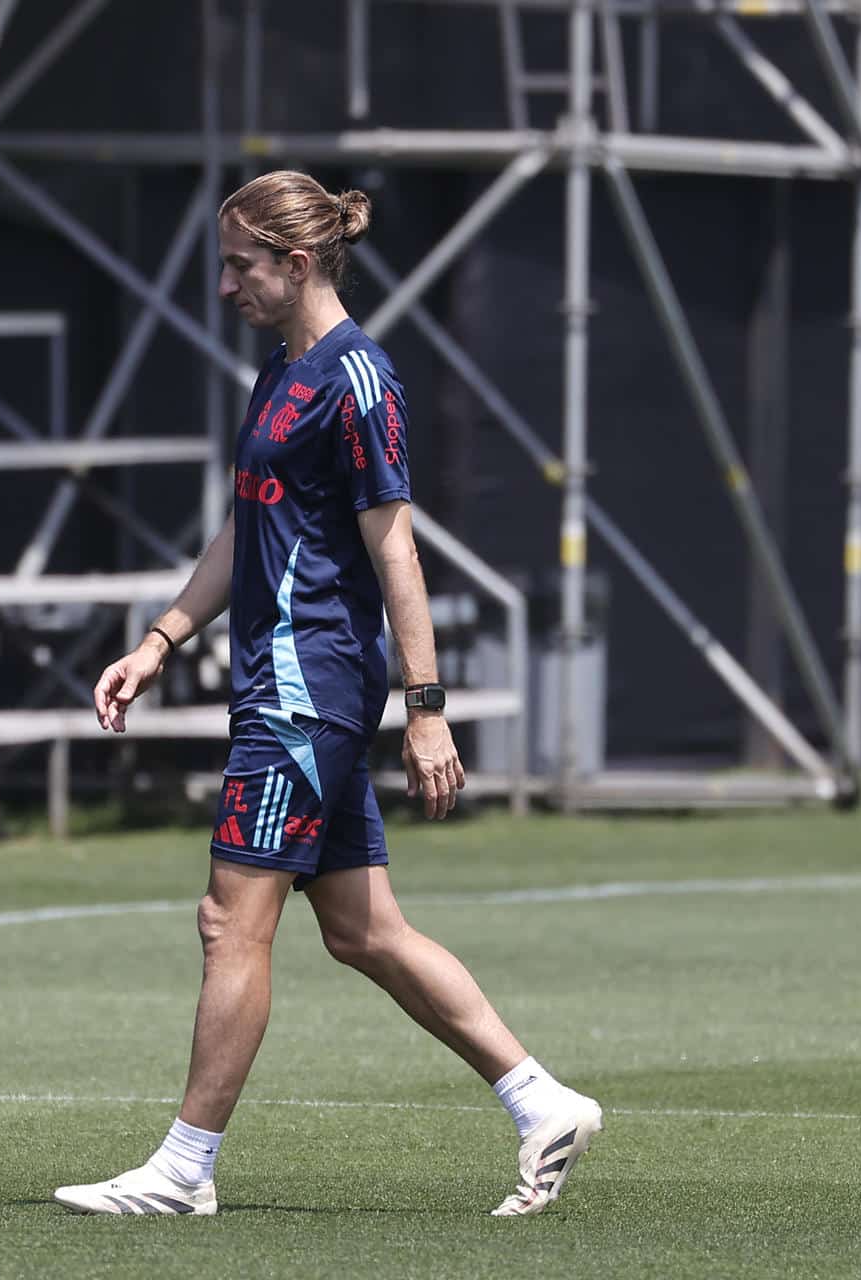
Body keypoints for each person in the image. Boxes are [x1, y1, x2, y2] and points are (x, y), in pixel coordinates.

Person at [54, 172, 603, 1219]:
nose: (226, 285)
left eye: (242, 265)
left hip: (307, 693)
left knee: (231, 920)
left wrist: (427, 701)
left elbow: (395, 544)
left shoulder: (359, 379)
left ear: (297, 263)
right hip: (288, 684)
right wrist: (163, 636)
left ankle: (183, 1167)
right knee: (362, 930)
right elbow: (244, 525)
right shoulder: (285, 369)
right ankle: (544, 1101)